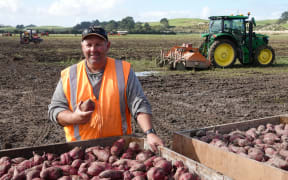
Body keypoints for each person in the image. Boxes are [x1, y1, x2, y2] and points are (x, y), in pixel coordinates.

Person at [48, 25, 164, 152]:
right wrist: (75, 117)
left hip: (119, 149)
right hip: (80, 152)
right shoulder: (69, 75)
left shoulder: (123, 71)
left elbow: (139, 103)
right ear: (82, 47)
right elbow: (56, 110)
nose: (93, 49)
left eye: (98, 44)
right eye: (89, 45)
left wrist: (150, 133)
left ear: (107, 46)